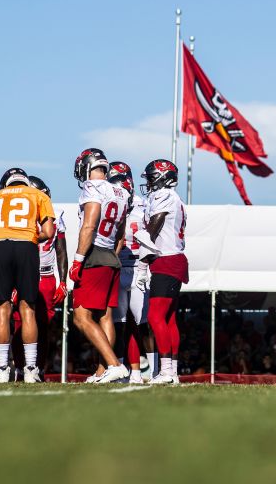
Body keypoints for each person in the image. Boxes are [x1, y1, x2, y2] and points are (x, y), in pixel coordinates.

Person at [0, 167, 56, 383]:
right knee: (27, 309)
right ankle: (31, 370)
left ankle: (2, 369)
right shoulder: (39, 195)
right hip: (26, 246)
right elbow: (49, 232)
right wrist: (31, 236)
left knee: (2, 310)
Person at [69, 148, 131, 384]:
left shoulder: (93, 187)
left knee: (81, 317)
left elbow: (89, 226)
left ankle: (114, 364)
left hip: (94, 254)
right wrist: (111, 257)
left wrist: (77, 260)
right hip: (111, 257)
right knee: (105, 315)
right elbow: (121, 236)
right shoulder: (122, 191)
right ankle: (101, 371)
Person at [107, 161, 158, 384]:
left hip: (139, 267)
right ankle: (123, 370)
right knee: (119, 322)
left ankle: (156, 371)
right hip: (119, 267)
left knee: (142, 322)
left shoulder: (143, 205)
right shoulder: (111, 202)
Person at [142, 159, 189, 384]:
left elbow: (156, 222)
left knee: (155, 316)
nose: (149, 182)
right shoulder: (173, 198)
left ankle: (167, 371)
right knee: (169, 318)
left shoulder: (166, 196)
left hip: (167, 259)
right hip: (172, 258)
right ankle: (172, 371)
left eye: (151, 177)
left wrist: (143, 250)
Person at [28, 175, 67, 376]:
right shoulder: (22, 213)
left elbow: (61, 250)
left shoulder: (56, 214)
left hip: (46, 276)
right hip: (26, 274)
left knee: (43, 325)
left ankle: (39, 368)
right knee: (19, 323)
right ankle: (21, 368)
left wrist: (63, 282)